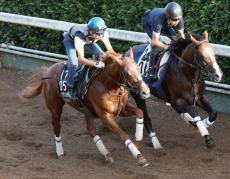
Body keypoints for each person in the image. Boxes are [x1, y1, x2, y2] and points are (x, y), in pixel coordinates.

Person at [63, 17, 115, 99]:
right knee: (74, 63)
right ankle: (68, 89)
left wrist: (117, 59)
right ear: (92, 32)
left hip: (88, 40)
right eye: (98, 34)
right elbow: (81, 59)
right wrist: (96, 63)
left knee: (102, 55)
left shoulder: (102, 32)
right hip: (71, 41)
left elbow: (110, 50)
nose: (101, 36)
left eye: (101, 33)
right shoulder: (79, 35)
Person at [143, 2, 185, 80]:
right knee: (157, 46)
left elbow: (181, 37)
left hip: (166, 25)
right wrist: (167, 47)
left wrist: (184, 45)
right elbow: (154, 41)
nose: (176, 22)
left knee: (177, 41)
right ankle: (151, 69)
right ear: (167, 17)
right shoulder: (159, 19)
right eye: (174, 20)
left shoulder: (179, 19)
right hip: (149, 22)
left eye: (178, 20)